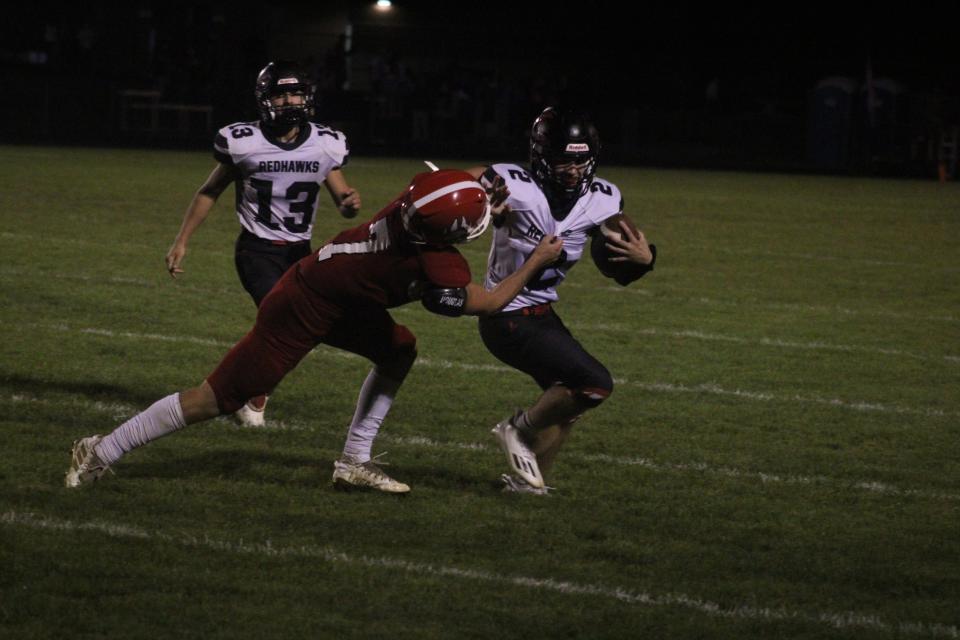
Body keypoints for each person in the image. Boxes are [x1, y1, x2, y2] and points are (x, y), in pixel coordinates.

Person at [65, 169, 565, 494]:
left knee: (399, 348)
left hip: (339, 292)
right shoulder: (441, 267)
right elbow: (496, 300)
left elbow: (445, 190)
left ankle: (353, 461)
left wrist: (479, 187)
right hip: (303, 306)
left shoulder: (410, 204)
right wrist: (538, 259)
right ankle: (101, 448)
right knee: (216, 398)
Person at [466, 107, 657, 495]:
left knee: (571, 400)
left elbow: (628, 249)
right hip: (506, 313)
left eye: (580, 159)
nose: (572, 169)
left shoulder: (603, 198)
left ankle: (528, 485)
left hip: (542, 315)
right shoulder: (512, 183)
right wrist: (482, 204)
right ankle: (517, 429)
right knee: (594, 384)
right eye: (562, 160)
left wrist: (645, 259)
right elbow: (456, 185)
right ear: (540, 156)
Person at [165, 60, 362, 428]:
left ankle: (249, 391)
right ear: (265, 100)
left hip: (300, 253)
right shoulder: (244, 142)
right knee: (283, 321)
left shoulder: (325, 144)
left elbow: (342, 198)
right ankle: (242, 395)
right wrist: (182, 241)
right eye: (281, 94)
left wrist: (349, 204)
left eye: (296, 93)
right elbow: (210, 190)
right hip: (257, 250)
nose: (289, 101)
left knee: (302, 328)